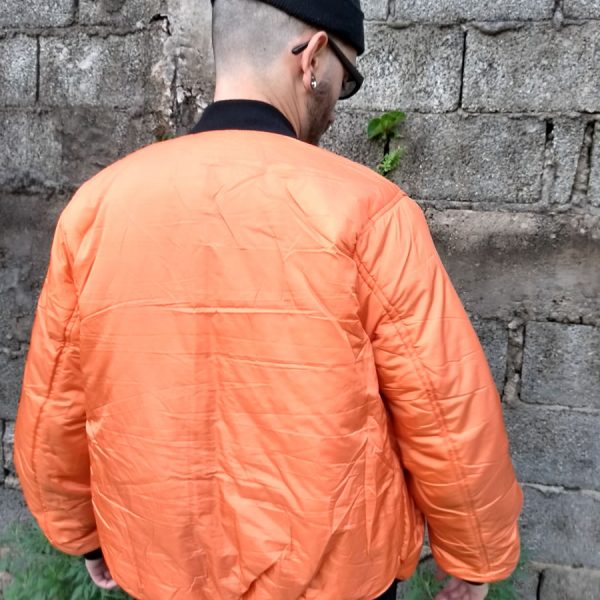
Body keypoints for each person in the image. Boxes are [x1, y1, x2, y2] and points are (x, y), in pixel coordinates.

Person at [13, 1, 523, 599]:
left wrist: (84, 535)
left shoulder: (96, 210)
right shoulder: (369, 212)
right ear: (313, 58)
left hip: (164, 569)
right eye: (346, 79)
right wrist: (475, 554)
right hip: (336, 579)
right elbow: (444, 409)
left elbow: (53, 409)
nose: (339, 98)